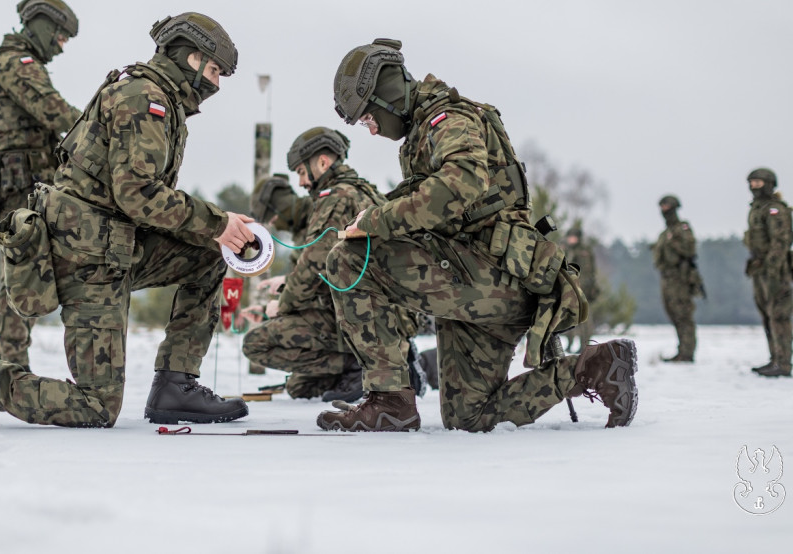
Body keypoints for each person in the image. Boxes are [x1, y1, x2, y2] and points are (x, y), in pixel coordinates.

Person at [0, 13, 254, 428]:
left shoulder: (155, 97)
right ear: (191, 58)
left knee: (208, 254)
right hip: (87, 258)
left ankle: (175, 385)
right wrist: (217, 221)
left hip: (114, 246)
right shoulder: (145, 98)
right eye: (214, 70)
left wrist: (217, 231)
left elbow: (135, 200)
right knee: (96, 406)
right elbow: (137, 193)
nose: (215, 84)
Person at [315, 38, 638, 432]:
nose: (371, 130)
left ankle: (389, 401)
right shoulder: (427, 127)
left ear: (385, 96)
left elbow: (461, 183)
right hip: (486, 280)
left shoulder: (447, 119)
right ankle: (595, 368)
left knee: (349, 260)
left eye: (368, 118)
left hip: (487, 277)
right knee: (469, 418)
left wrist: (373, 222)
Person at [242, 128, 422, 402]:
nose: (301, 183)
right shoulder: (358, 191)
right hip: (380, 313)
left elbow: (315, 264)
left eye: (302, 172)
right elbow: (330, 267)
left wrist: (281, 306)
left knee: (256, 343)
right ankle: (378, 364)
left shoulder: (336, 198)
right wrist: (286, 288)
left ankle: (366, 366)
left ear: (323, 163)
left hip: (370, 315)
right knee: (301, 388)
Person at [0, 0, 83, 370]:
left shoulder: (6, 61)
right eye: (60, 37)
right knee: (24, 267)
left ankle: (8, 359)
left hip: (23, 177)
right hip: (22, 181)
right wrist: (100, 131)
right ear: (44, 26)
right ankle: (9, 362)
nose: (61, 48)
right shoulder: (18, 63)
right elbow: (56, 111)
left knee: (23, 266)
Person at [744, 168, 793, 377]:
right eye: (752, 182)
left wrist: (773, 270)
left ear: (769, 183)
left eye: (758, 182)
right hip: (761, 270)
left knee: (779, 316)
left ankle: (783, 364)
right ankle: (775, 359)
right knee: (767, 316)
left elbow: (781, 242)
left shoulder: (775, 209)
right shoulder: (757, 209)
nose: (754, 186)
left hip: (775, 271)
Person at [651, 195, 704, 362]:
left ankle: (687, 352)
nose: (664, 210)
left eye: (667, 207)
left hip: (680, 278)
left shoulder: (683, 228)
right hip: (667, 278)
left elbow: (689, 250)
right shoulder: (665, 233)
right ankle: (682, 349)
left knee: (683, 314)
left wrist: (673, 243)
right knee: (673, 313)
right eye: (662, 207)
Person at [563, 223, 601, 353]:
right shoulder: (564, 250)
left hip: (583, 288)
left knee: (584, 319)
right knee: (567, 318)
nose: (571, 240)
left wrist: (593, 287)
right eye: (570, 237)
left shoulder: (585, 251)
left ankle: (585, 345)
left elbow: (592, 271)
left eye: (574, 237)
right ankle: (569, 343)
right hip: (567, 289)